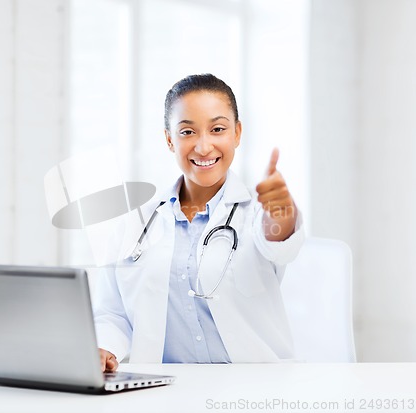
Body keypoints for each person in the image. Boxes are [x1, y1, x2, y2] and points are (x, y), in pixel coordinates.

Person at [94, 74, 304, 372]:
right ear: (169, 139)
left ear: (237, 133)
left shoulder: (256, 212)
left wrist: (281, 211)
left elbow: (280, 245)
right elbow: (113, 313)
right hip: (165, 391)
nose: (204, 147)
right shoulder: (134, 225)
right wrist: (105, 348)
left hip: (253, 388)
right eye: (187, 132)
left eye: (217, 129)